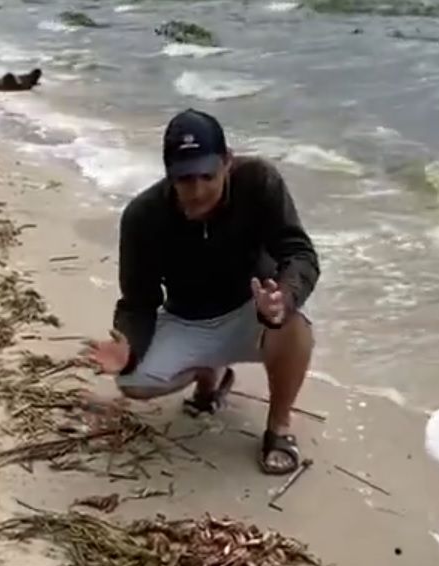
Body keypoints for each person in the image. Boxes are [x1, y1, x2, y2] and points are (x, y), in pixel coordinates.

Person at [85, 108, 319, 475]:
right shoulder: (142, 217)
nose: (197, 191)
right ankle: (210, 374)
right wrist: (128, 347)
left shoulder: (259, 182)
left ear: (227, 162)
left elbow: (300, 253)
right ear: (168, 173)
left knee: (295, 328)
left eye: (207, 176)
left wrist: (283, 297)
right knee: (132, 381)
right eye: (185, 179)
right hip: (187, 319)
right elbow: (139, 302)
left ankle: (278, 428)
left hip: (252, 312)